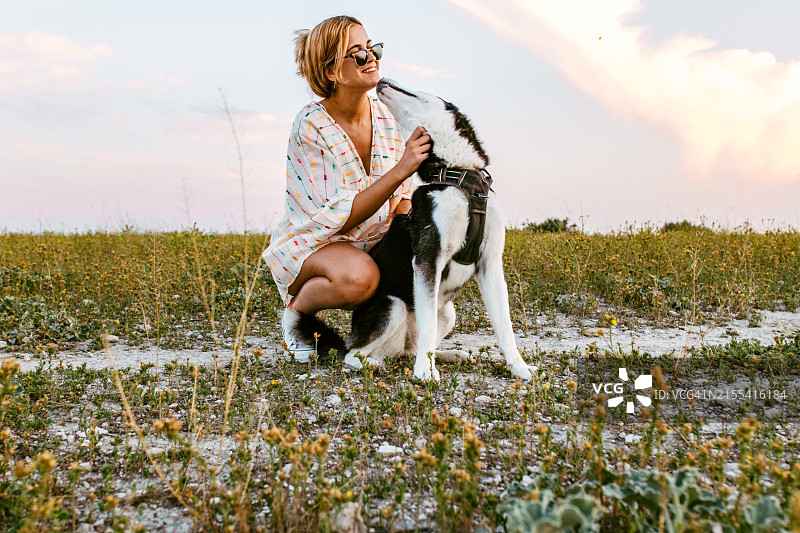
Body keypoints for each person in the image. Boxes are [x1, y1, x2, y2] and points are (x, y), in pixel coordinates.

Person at [263, 15, 431, 362]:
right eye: (357, 54)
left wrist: (408, 247)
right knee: (359, 278)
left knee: (429, 255)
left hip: (373, 239)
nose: (372, 59)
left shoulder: (387, 115)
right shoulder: (311, 124)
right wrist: (401, 169)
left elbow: (402, 201)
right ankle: (297, 312)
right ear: (330, 72)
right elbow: (338, 218)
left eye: (373, 49)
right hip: (319, 242)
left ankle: (402, 340)